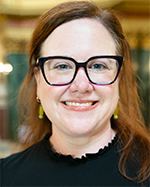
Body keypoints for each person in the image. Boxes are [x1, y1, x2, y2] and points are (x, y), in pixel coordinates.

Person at [0, 1, 150, 186]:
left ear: (118, 78)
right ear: (38, 80)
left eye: (98, 66)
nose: (81, 86)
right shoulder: (5, 175)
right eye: (62, 66)